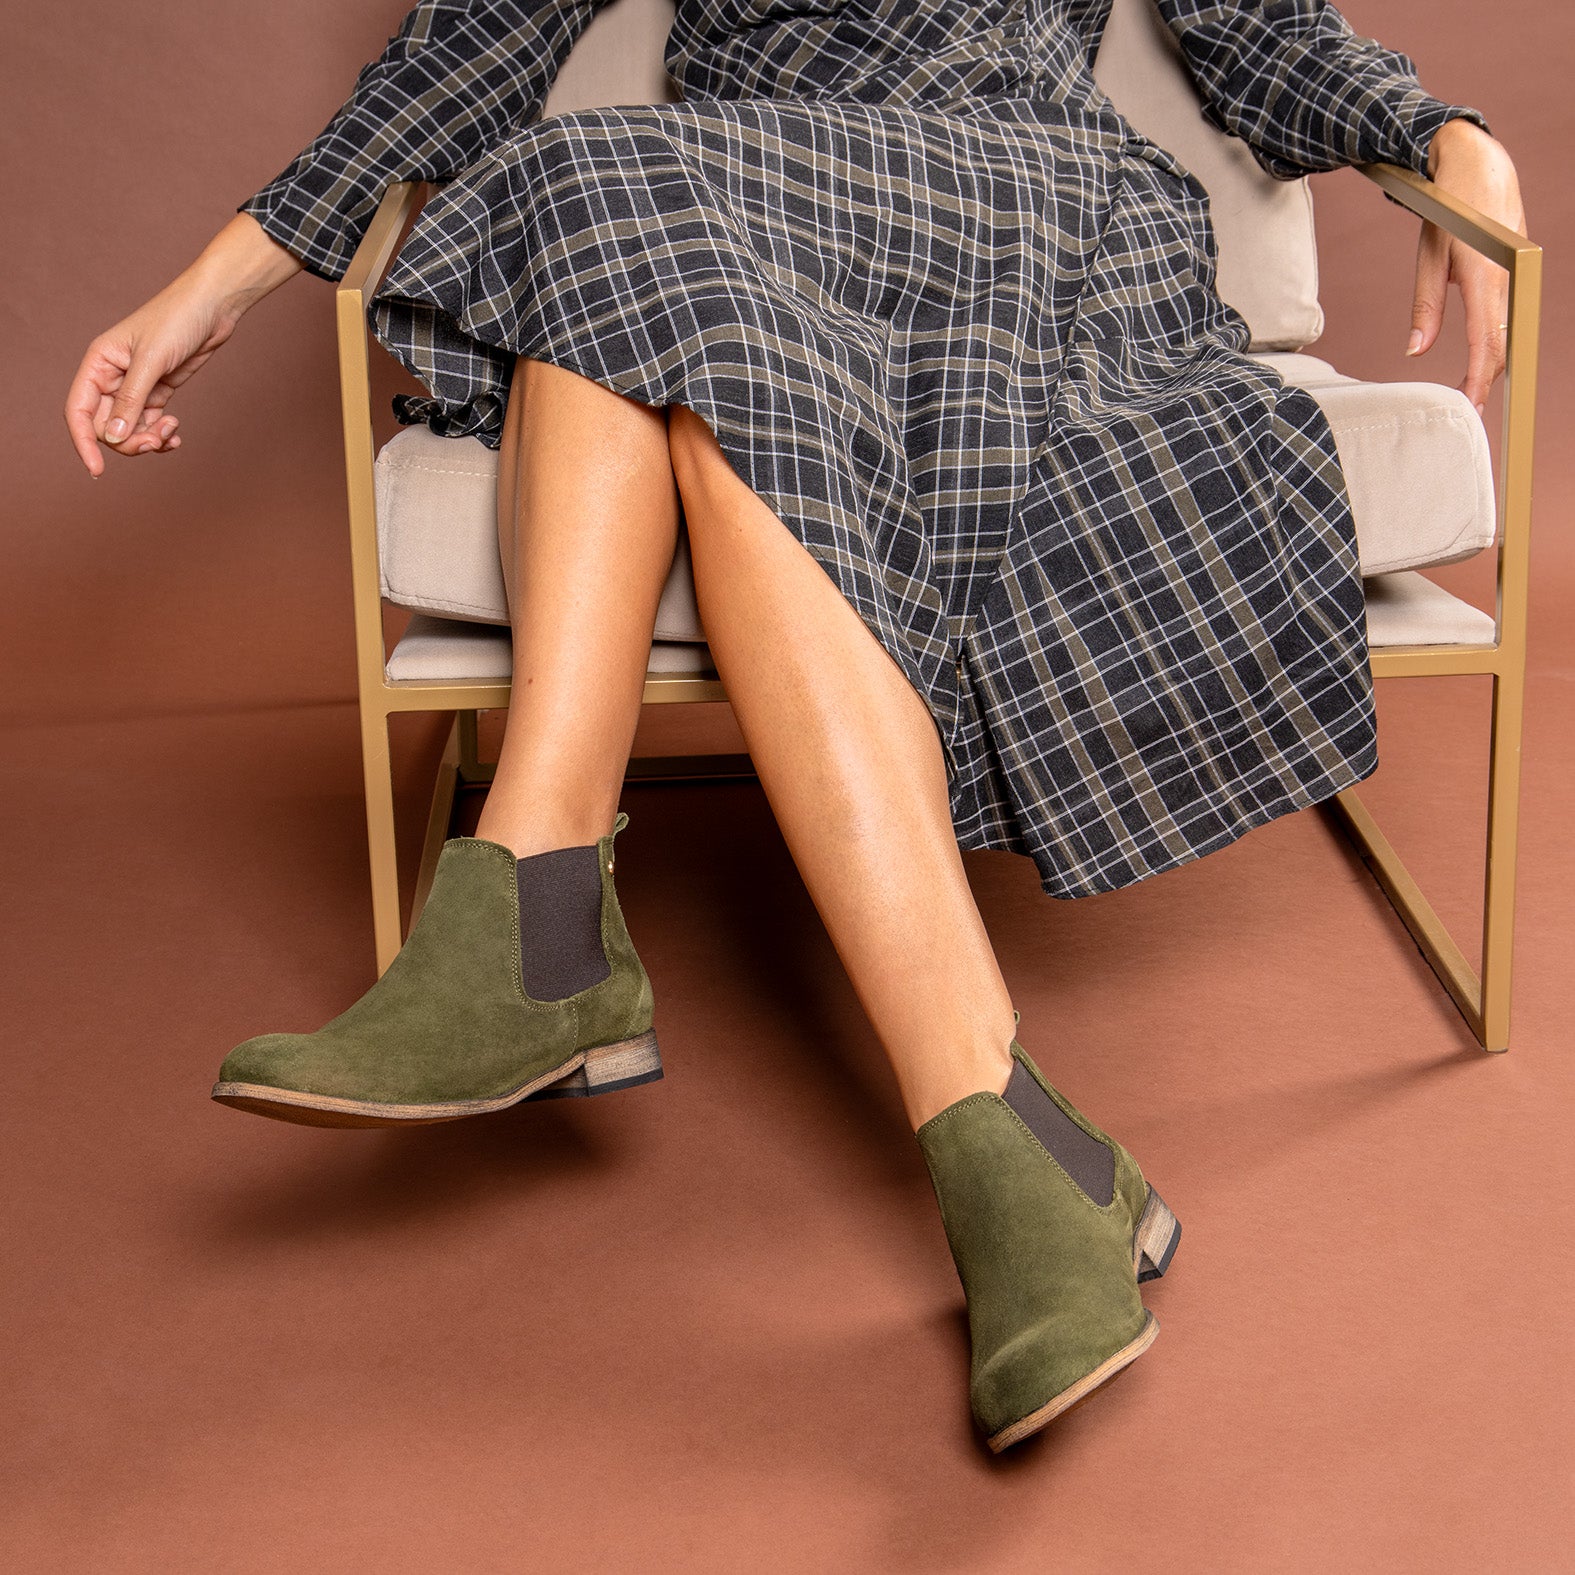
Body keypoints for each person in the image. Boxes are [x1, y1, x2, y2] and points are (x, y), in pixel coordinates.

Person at [64, 0, 1523, 1452]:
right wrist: (212, 286)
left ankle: (543, 933)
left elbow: (1259, 30)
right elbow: (476, 46)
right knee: (678, 320)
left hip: (1022, 206)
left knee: (597, 187)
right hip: (744, 226)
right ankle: (990, 1129)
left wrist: (1442, 133)